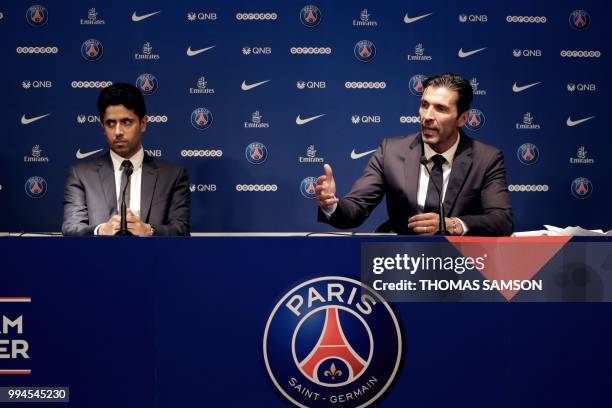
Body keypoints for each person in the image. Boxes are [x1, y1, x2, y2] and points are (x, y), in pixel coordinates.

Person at [316, 73, 513, 236]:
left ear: (462, 118)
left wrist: (452, 224)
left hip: (460, 265)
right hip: (400, 261)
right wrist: (331, 204)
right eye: (424, 105)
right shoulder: (391, 151)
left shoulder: (486, 159)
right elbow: (356, 210)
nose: (427, 116)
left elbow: (501, 220)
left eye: (440, 109)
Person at [62, 83, 190, 236]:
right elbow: (71, 228)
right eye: (110, 123)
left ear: (143, 123)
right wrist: (100, 230)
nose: (118, 132)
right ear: (102, 126)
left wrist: (149, 230)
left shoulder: (172, 176)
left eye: (126, 122)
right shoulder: (81, 175)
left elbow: (181, 229)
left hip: (154, 258)